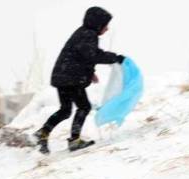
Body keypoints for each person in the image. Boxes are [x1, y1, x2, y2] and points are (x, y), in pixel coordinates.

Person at [33, 6, 125, 154]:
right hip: (70, 79)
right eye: (105, 25)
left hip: (63, 76)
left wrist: (91, 72)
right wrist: (116, 58)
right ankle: (74, 141)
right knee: (84, 107)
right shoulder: (88, 35)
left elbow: (83, 56)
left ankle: (42, 134)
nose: (107, 29)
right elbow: (92, 55)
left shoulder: (83, 33)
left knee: (65, 110)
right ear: (98, 24)